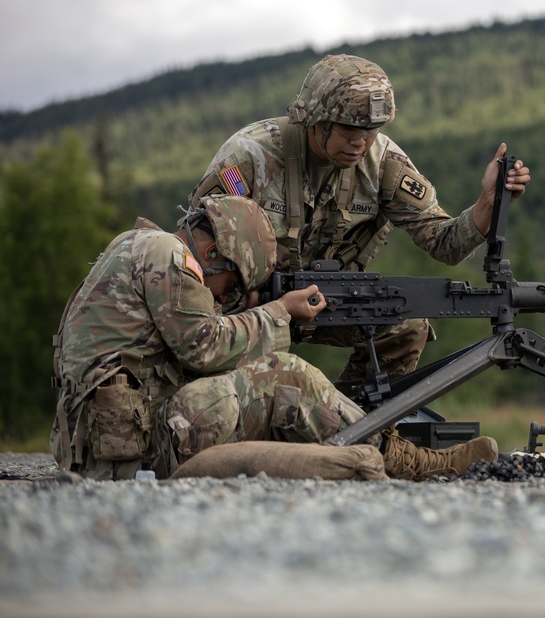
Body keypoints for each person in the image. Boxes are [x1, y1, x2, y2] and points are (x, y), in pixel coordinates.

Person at [50, 195, 498, 480]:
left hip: (107, 446)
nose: (223, 297)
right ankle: (411, 463)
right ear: (212, 253)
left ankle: (358, 446)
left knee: (258, 378)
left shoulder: (132, 244)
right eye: (231, 286)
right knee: (284, 376)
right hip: (140, 450)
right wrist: (279, 311)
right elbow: (204, 346)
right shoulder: (169, 254)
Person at [186, 54, 531, 401]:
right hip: (246, 306)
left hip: (331, 302)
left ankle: (356, 422)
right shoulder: (251, 157)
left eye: (371, 130)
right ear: (315, 119)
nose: (361, 142)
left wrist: (488, 204)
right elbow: (195, 253)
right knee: (223, 378)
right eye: (349, 129)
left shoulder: (383, 165)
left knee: (406, 325)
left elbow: (446, 243)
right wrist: (248, 304)